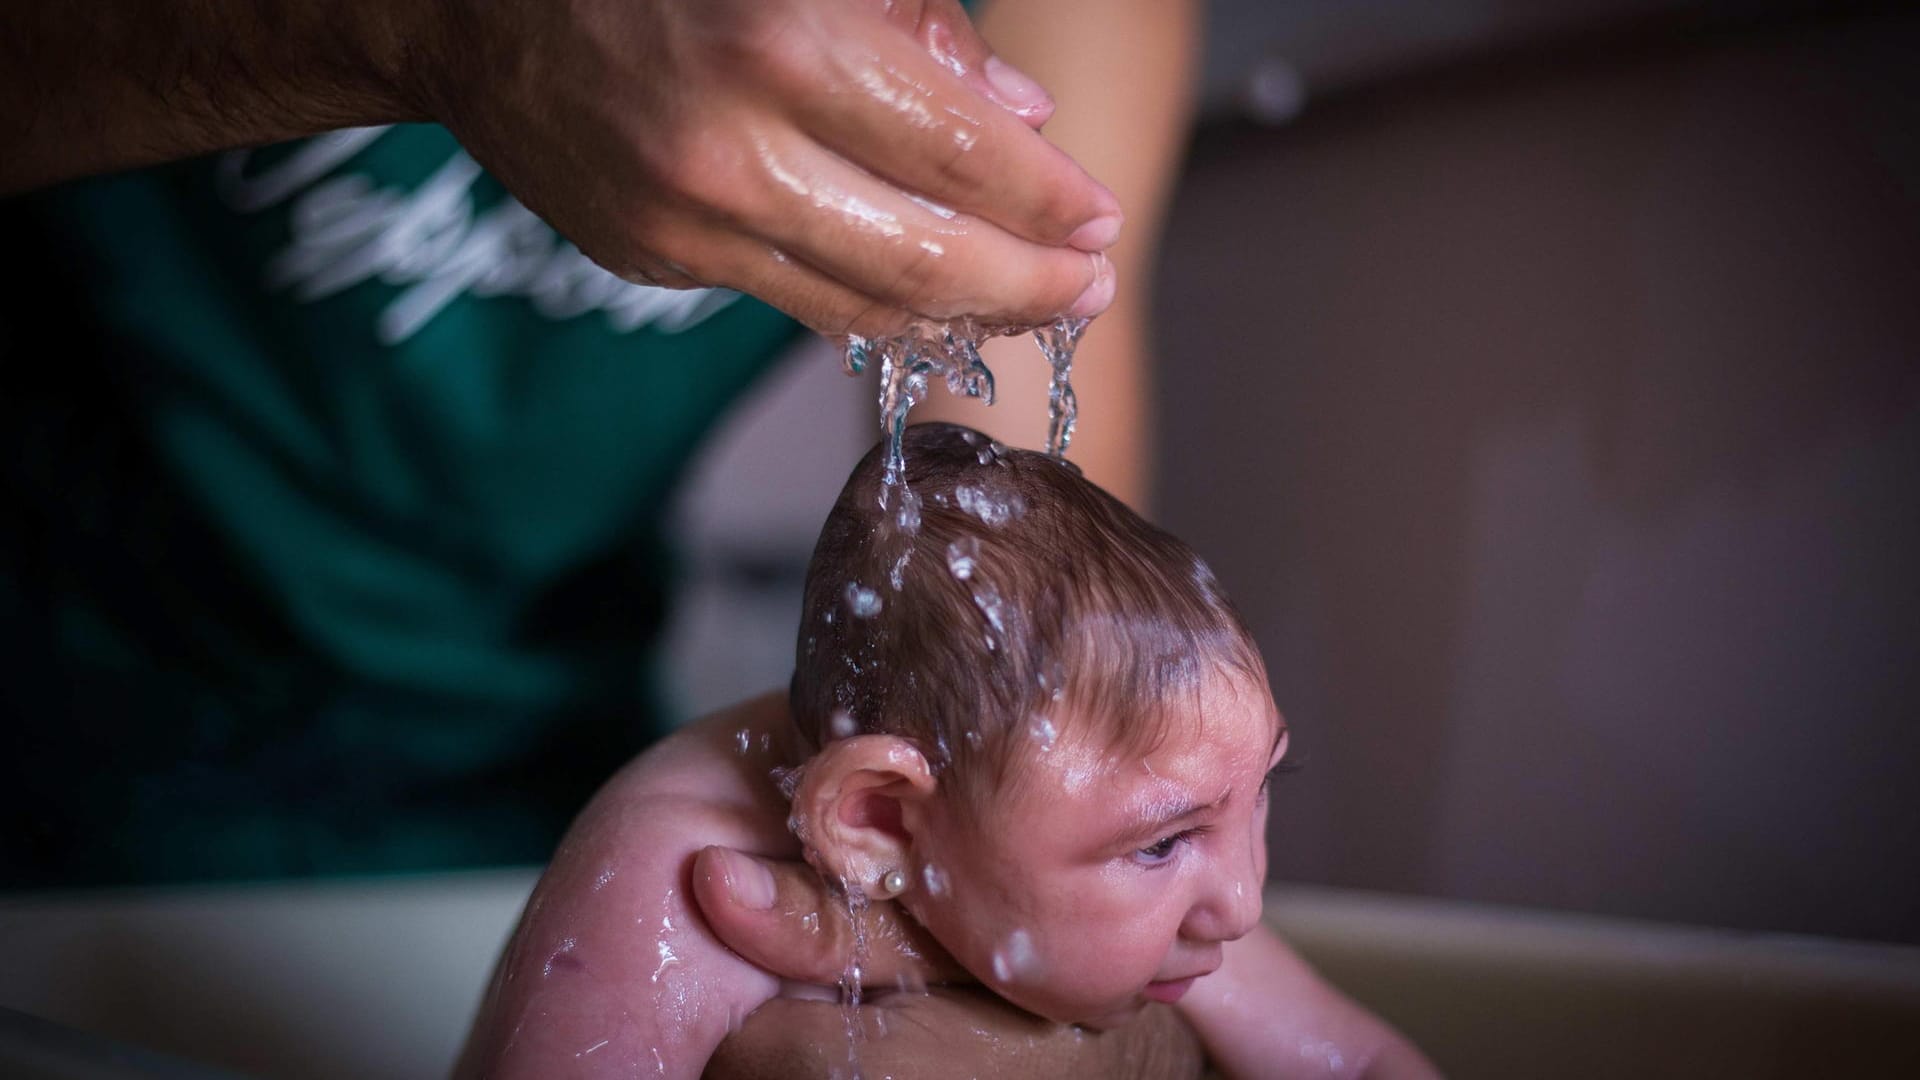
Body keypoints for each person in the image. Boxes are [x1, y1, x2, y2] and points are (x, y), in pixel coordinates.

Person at [0, 0, 1191, 885]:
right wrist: (439, 27)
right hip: (49, 747)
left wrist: (1019, 867)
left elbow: (1017, 404)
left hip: (545, 793)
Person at [456, 423, 1438, 1077]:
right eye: (1163, 844)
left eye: (1260, 792)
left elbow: (1359, 1067)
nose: (1245, 902)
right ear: (879, 818)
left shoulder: (1155, 871)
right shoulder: (666, 877)